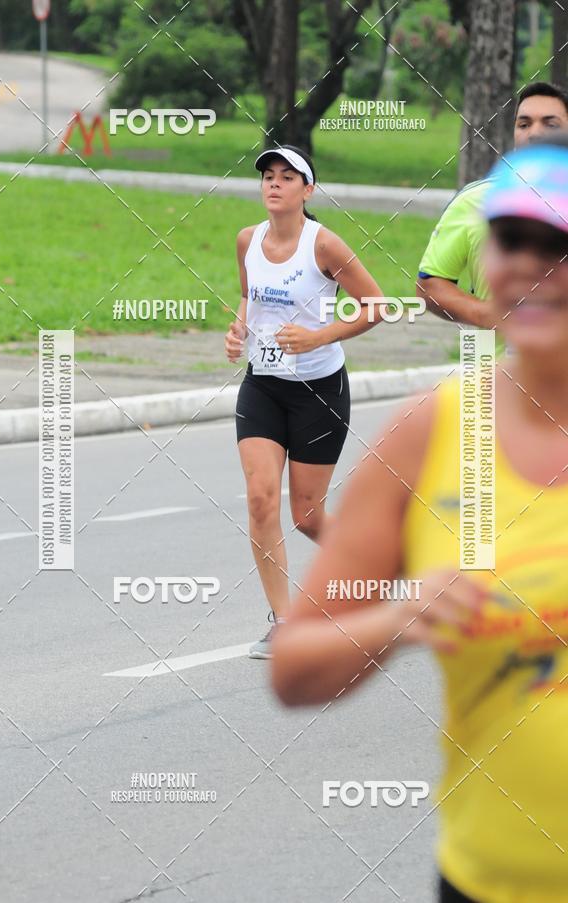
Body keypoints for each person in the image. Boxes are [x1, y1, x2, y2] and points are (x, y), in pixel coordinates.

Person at [272, 137, 568, 902]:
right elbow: (296, 663)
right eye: (510, 239)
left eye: (556, 243)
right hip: (490, 883)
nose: (528, 264)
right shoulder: (432, 432)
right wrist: (402, 615)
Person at [225, 144, 384, 659]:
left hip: (319, 390)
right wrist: (238, 331)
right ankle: (283, 620)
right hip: (263, 386)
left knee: (308, 515)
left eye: (286, 177)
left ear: (306, 190)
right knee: (259, 498)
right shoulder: (247, 240)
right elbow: (250, 298)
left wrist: (320, 337)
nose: (274, 183)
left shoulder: (325, 246)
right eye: (268, 176)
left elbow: (375, 305)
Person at [417, 81, 568, 327]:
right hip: (489, 358)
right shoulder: (475, 199)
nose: (535, 133)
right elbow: (430, 285)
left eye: (551, 124)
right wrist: (487, 315)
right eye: (524, 124)